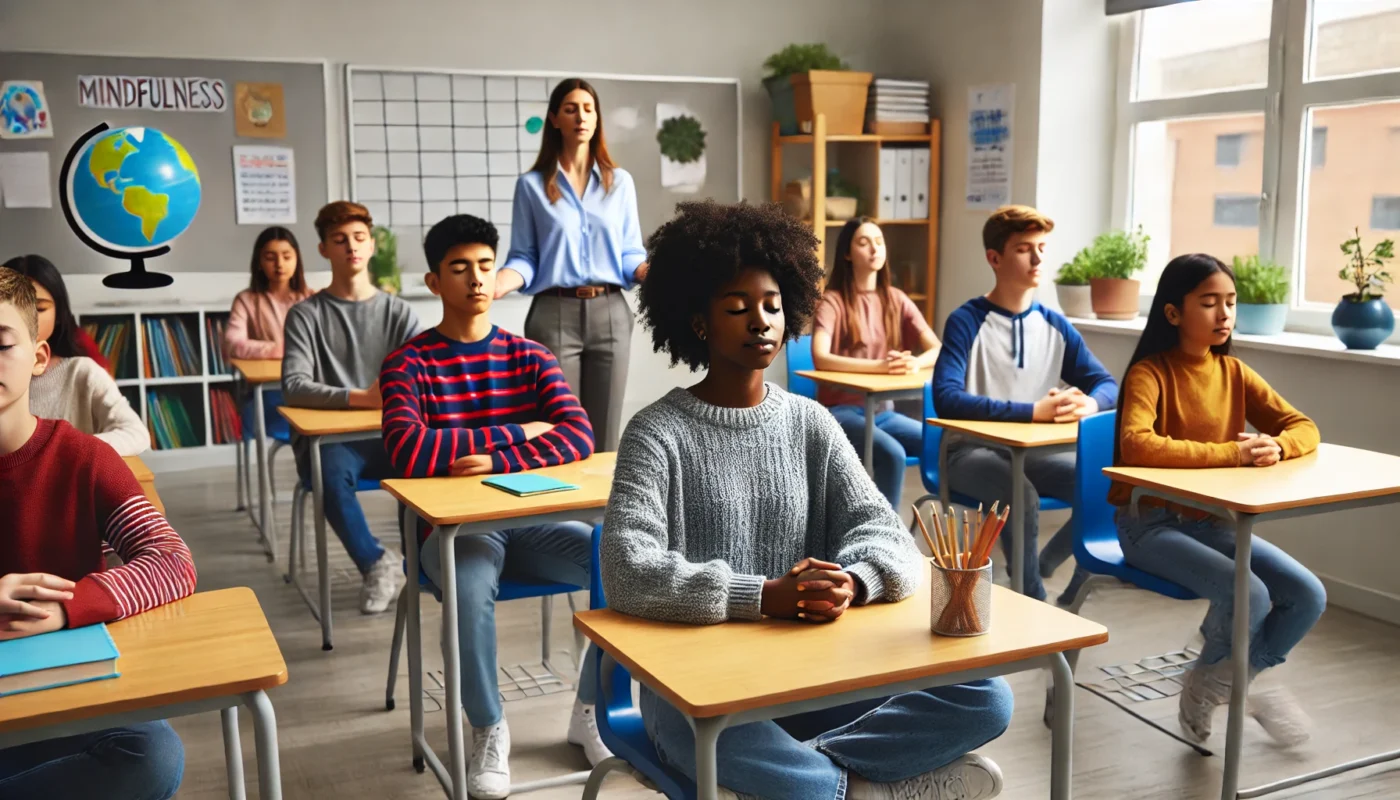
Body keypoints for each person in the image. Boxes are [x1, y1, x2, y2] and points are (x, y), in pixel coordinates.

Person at [602, 202, 1011, 800]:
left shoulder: (809, 423)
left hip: (812, 676)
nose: (761, 322)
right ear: (698, 324)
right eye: (737, 309)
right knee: (721, 740)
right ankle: (859, 788)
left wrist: (855, 581)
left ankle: (821, 783)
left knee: (987, 696)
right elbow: (626, 571)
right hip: (697, 689)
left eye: (772, 306)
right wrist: (764, 596)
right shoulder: (655, 432)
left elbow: (887, 534)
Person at [381, 214, 610, 798]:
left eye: (486, 266)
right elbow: (409, 450)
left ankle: (592, 711)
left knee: (616, 561)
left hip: (532, 527)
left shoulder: (529, 355)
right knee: (468, 583)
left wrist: (496, 451)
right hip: (453, 535)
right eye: (460, 268)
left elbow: (578, 434)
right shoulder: (408, 365)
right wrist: (522, 432)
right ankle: (488, 726)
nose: (477, 280)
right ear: (434, 282)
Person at [0, 266, 197, 800]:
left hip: (59, 683)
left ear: (39, 358)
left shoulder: (83, 457)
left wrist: (64, 607)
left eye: (0, 344)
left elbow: (173, 562)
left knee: (150, 757)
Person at [1111, 253, 1323, 747]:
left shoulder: (1234, 372)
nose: (1225, 313)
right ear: (1173, 313)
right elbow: (1138, 444)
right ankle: (1220, 677)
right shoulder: (1150, 372)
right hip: (1149, 525)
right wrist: (1233, 452)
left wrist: (1279, 444)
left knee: (1308, 596)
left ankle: (1220, 680)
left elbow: (1303, 427)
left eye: (1230, 302)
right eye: (1209, 303)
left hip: (1213, 525)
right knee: (1252, 593)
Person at [932, 205, 1118, 601]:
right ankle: (1031, 597)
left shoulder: (1055, 325)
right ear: (994, 259)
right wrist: (1033, 412)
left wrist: (1090, 404)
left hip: (1027, 454)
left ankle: (1045, 566)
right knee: (1022, 495)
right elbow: (946, 399)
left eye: (1041, 248)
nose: (1037, 258)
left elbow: (1107, 385)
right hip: (965, 453)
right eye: (1023, 249)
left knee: (1107, 487)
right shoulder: (966, 320)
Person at [282, 201, 421, 614]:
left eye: (359, 238)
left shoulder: (398, 312)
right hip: (335, 441)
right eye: (340, 240)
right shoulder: (306, 315)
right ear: (324, 249)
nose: (351, 247)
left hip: (390, 434)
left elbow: (421, 379)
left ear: (372, 244)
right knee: (328, 471)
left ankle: (423, 561)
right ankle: (375, 562)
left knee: (433, 459)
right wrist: (364, 397)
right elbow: (294, 386)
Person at [497, 78, 647, 452]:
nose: (580, 116)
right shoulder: (531, 186)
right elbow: (525, 258)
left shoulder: (620, 183)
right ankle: (561, 513)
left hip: (611, 313)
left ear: (596, 119)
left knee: (606, 435)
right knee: (558, 432)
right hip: (553, 314)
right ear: (554, 119)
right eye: (570, 109)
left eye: (588, 108)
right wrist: (497, 282)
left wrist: (652, 271)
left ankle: (604, 513)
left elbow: (630, 253)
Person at [812, 217, 941, 508]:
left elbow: (936, 348)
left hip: (884, 412)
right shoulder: (832, 301)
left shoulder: (896, 298)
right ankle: (886, 539)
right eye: (863, 242)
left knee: (940, 443)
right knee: (892, 453)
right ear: (847, 253)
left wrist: (915, 365)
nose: (874, 249)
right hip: (841, 412)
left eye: (879, 241)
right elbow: (820, 357)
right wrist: (881, 366)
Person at [4, 255, 146, 456]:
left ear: (60, 314)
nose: (25, 320)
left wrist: (65, 451)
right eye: (13, 309)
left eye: (39, 308)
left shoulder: (82, 372)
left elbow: (136, 434)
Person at [224, 226, 315, 440]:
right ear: (259, 262)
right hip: (267, 393)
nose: (279, 264)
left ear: (297, 259)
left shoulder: (312, 299)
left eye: (286, 256)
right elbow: (232, 342)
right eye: (270, 257)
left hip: (307, 387)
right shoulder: (246, 300)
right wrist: (278, 349)